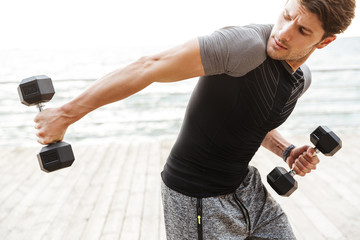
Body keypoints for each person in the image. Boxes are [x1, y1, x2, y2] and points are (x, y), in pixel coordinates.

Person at [34, 0, 356, 239]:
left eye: (302, 31)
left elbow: (250, 119)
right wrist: (65, 114)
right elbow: (150, 66)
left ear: (324, 42)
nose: (283, 33)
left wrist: (286, 151)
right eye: (287, 15)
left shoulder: (301, 80)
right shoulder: (242, 46)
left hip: (247, 191)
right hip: (196, 198)